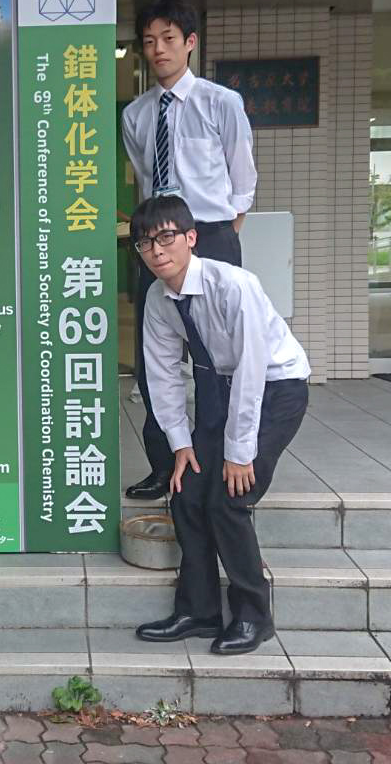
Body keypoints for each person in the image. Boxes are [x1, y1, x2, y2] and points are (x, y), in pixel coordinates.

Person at [131, 195, 309, 655]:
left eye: (166, 237)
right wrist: (180, 444)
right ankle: (198, 611)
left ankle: (254, 616)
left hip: (276, 388)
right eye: (145, 242)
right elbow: (163, 374)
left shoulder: (234, 285)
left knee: (230, 497)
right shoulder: (157, 299)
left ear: (191, 237)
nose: (156, 250)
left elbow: (252, 368)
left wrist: (239, 451)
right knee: (187, 491)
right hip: (218, 387)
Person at [121, 0, 257, 501]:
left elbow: (242, 179)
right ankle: (164, 465)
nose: (158, 49)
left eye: (169, 39)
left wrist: (221, 235)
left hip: (210, 236)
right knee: (154, 355)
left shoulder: (221, 102)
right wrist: (159, 240)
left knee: (219, 355)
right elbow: (144, 177)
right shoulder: (135, 114)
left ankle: (220, 460)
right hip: (157, 241)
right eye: (149, 41)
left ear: (190, 42)